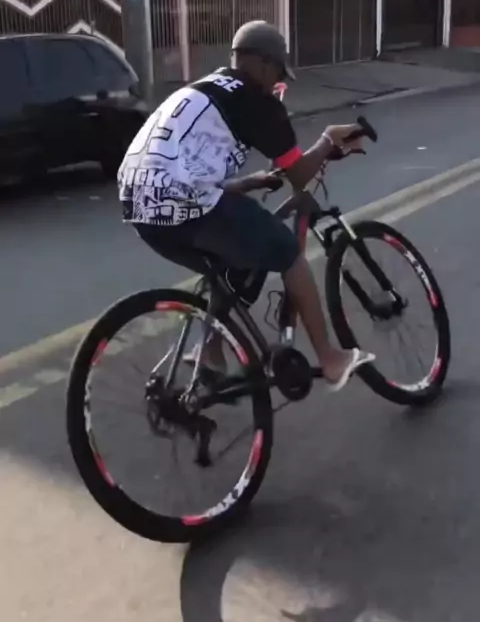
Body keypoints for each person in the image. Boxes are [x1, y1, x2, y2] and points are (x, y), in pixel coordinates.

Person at [118, 20, 375, 389]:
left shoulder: (202, 87)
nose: (276, 85)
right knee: (287, 251)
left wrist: (245, 184)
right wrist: (328, 140)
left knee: (234, 261)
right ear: (264, 65)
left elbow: (178, 162)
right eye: (278, 75)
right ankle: (331, 359)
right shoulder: (256, 98)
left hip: (138, 204)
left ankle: (210, 350)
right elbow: (299, 174)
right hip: (185, 202)